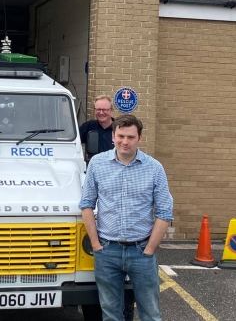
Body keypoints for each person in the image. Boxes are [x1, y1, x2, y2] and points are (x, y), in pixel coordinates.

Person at [79, 114, 174, 321]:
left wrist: (149, 250)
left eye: (131, 137)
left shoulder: (154, 168)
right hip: (107, 252)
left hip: (141, 252)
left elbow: (165, 212)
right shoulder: (97, 164)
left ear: (140, 138)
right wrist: (96, 245)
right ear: (113, 136)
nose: (125, 141)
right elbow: (86, 204)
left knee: (150, 314)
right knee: (111, 314)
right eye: (120, 136)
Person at [79, 96, 115, 161]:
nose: (101, 113)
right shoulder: (88, 126)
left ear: (111, 111)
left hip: (114, 167)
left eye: (104, 110)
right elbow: (73, 142)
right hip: (94, 167)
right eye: (98, 109)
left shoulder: (119, 128)